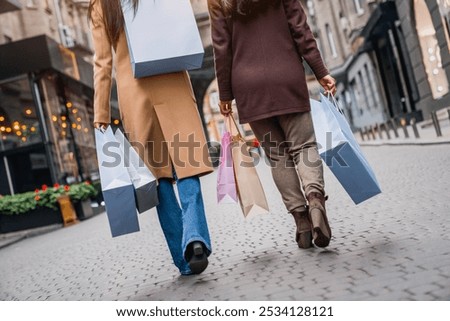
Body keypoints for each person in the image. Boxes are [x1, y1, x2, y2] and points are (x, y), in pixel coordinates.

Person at [89, 0, 213, 275]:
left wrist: (101, 114)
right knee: (187, 163)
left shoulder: (101, 5)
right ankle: (195, 236)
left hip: (135, 93)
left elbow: (103, 63)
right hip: (172, 78)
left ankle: (184, 259)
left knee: (158, 177)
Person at [208, 0, 336, 248]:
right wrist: (320, 71)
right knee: (303, 146)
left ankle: (301, 222)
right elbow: (300, 28)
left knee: (277, 156)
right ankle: (315, 200)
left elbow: (221, 48)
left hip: (248, 87)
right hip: (286, 76)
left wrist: (225, 94)